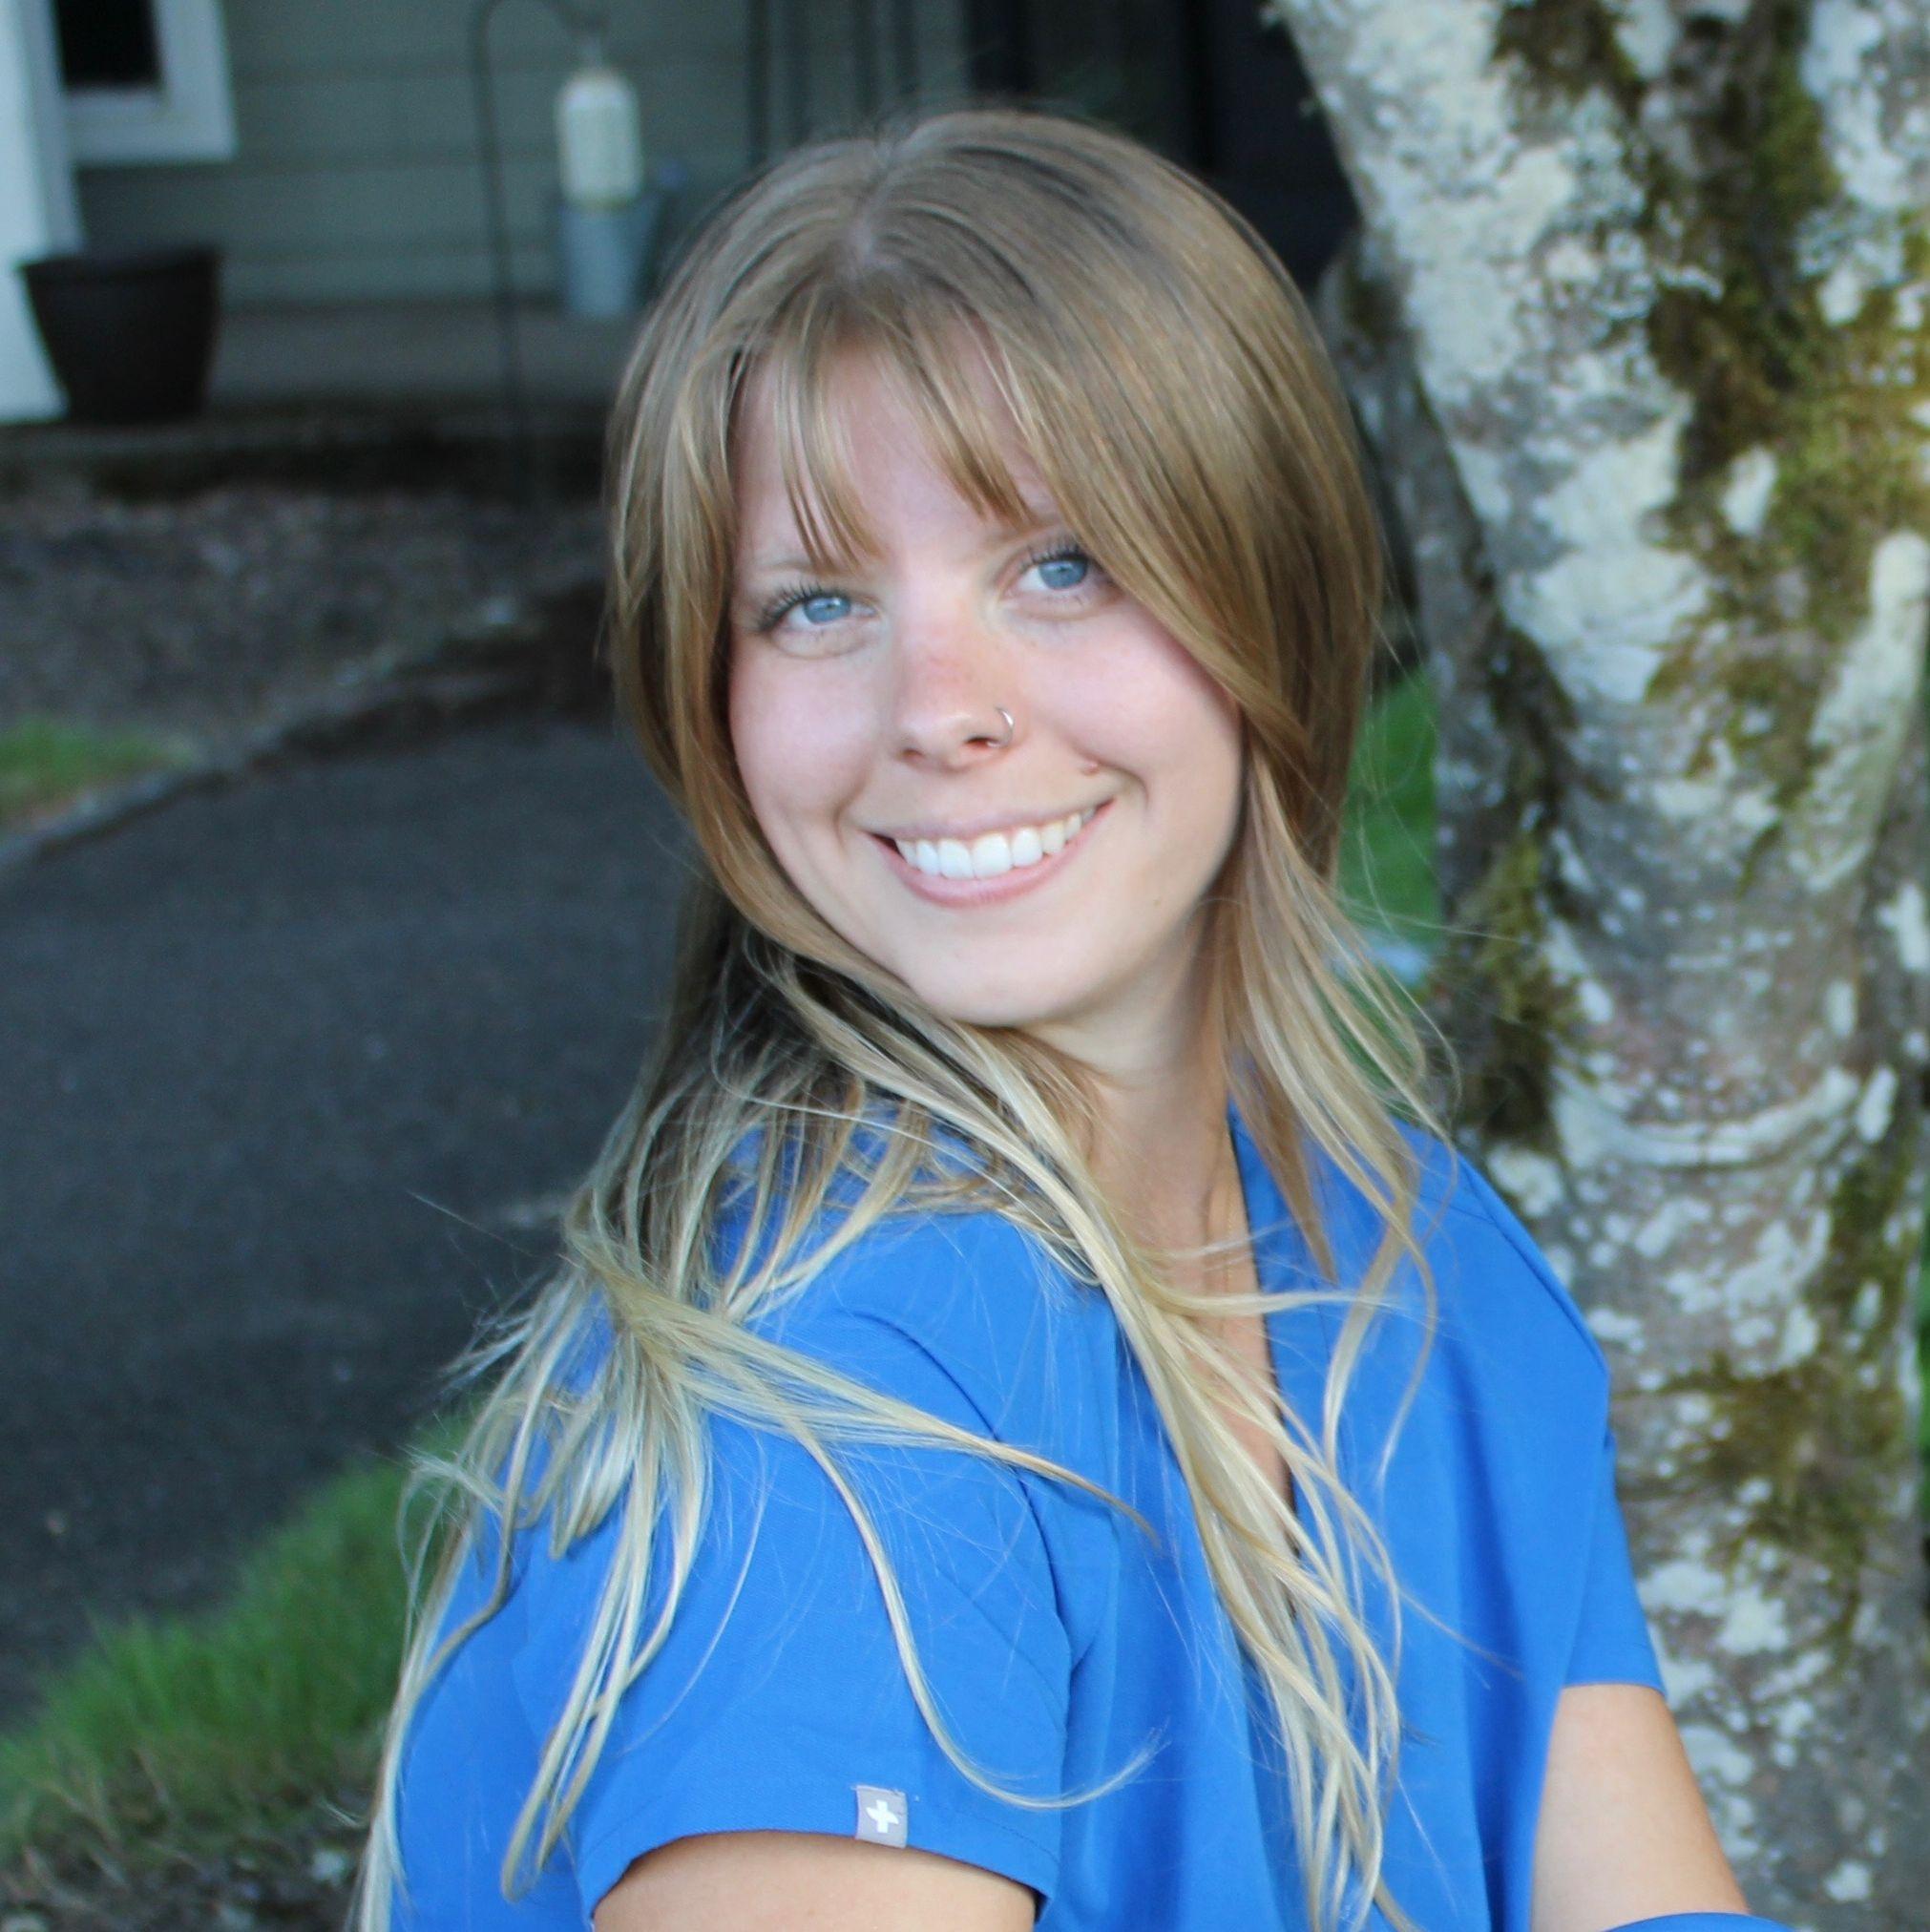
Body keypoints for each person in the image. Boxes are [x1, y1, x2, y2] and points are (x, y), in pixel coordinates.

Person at [352, 106, 1799, 1932]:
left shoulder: (1422, 1267)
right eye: (812, 604)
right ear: (706, 706)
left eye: (1059, 565)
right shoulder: (836, 1414)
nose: (938, 706)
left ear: (1269, 594)